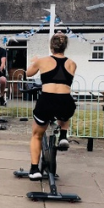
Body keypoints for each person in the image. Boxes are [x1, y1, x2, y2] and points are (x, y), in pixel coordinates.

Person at [25, 32, 76, 180]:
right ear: (65, 46)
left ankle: (35, 170)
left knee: (37, 135)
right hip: (65, 101)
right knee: (65, 110)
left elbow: (28, 73)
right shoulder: (72, 64)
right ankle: (64, 136)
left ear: (51, 46)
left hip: (47, 100)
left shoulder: (42, 61)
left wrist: (34, 61)